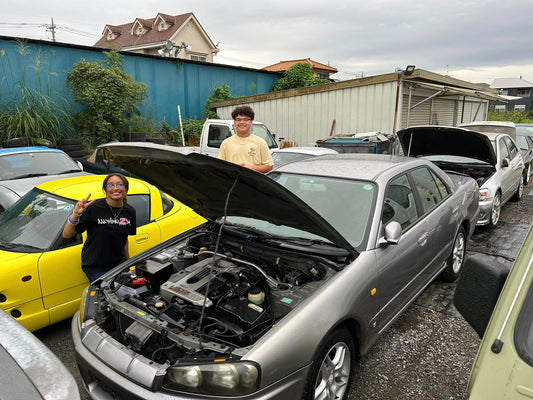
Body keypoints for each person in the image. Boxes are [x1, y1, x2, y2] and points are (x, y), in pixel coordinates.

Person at [63, 173, 137, 282]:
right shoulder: (94, 208)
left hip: (118, 265)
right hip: (96, 267)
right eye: (110, 185)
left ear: (126, 188)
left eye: (119, 184)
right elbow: (67, 234)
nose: (115, 188)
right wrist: (76, 214)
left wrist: (127, 262)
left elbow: (124, 238)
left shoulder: (130, 211)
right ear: (105, 189)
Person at [219, 105, 274, 173]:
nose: (242, 122)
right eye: (238, 119)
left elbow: (269, 166)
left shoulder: (260, 143)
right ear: (234, 122)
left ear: (251, 123)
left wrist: (250, 168)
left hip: (253, 183)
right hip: (232, 182)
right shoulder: (226, 143)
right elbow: (220, 166)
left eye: (246, 119)